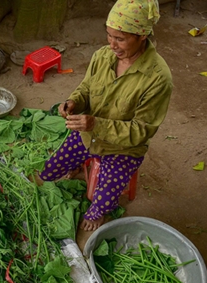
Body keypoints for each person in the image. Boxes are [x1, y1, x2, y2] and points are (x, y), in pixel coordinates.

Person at [39, 0, 172, 231]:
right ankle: (80, 164)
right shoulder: (102, 56)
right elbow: (86, 89)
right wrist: (73, 102)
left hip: (124, 149)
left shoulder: (158, 78)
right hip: (89, 134)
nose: (112, 45)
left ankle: (98, 212)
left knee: (102, 199)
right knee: (50, 169)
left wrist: (96, 124)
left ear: (142, 36)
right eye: (109, 35)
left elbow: (141, 131)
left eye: (120, 39)